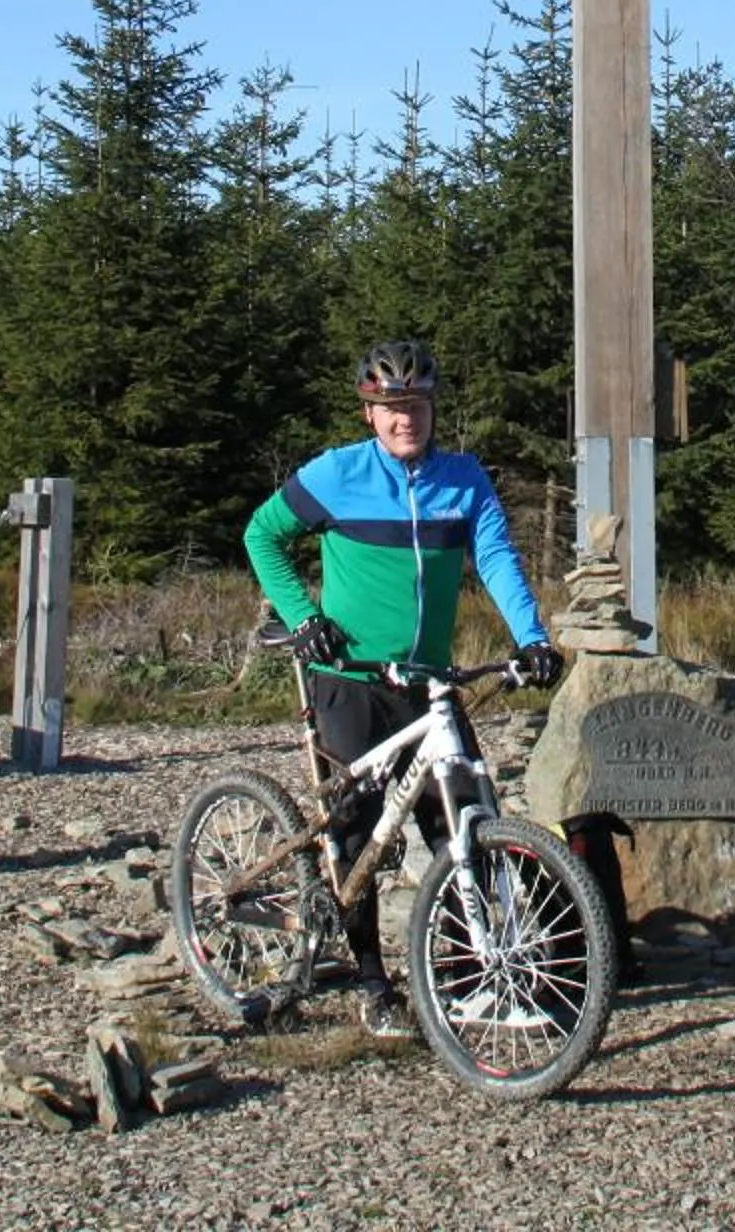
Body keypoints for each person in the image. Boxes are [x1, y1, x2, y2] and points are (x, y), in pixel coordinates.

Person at [244, 338, 564, 1038]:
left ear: (431, 408)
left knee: (464, 821)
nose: (403, 419)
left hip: (428, 683)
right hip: (349, 682)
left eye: (414, 405)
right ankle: (370, 982)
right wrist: (304, 621)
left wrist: (533, 638)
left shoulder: (464, 479)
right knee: (356, 839)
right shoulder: (337, 474)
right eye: (389, 408)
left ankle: (466, 973)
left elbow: (497, 557)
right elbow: (261, 534)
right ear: (369, 413)